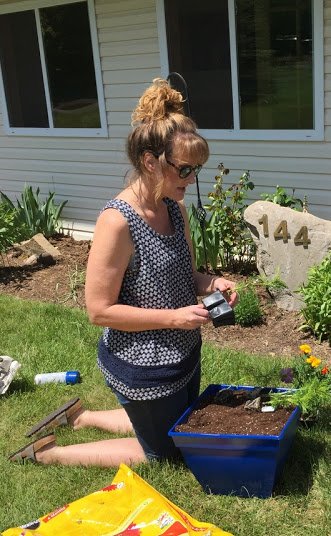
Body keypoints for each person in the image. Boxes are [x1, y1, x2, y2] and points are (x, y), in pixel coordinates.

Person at [8, 78, 237, 467]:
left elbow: (185, 275)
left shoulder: (173, 207)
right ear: (151, 162)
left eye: (196, 169)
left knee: (180, 424)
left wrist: (211, 283)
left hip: (182, 352)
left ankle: (82, 417)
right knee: (163, 453)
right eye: (184, 169)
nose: (191, 180)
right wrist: (173, 318)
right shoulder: (117, 222)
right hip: (142, 365)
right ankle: (51, 454)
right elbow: (98, 311)